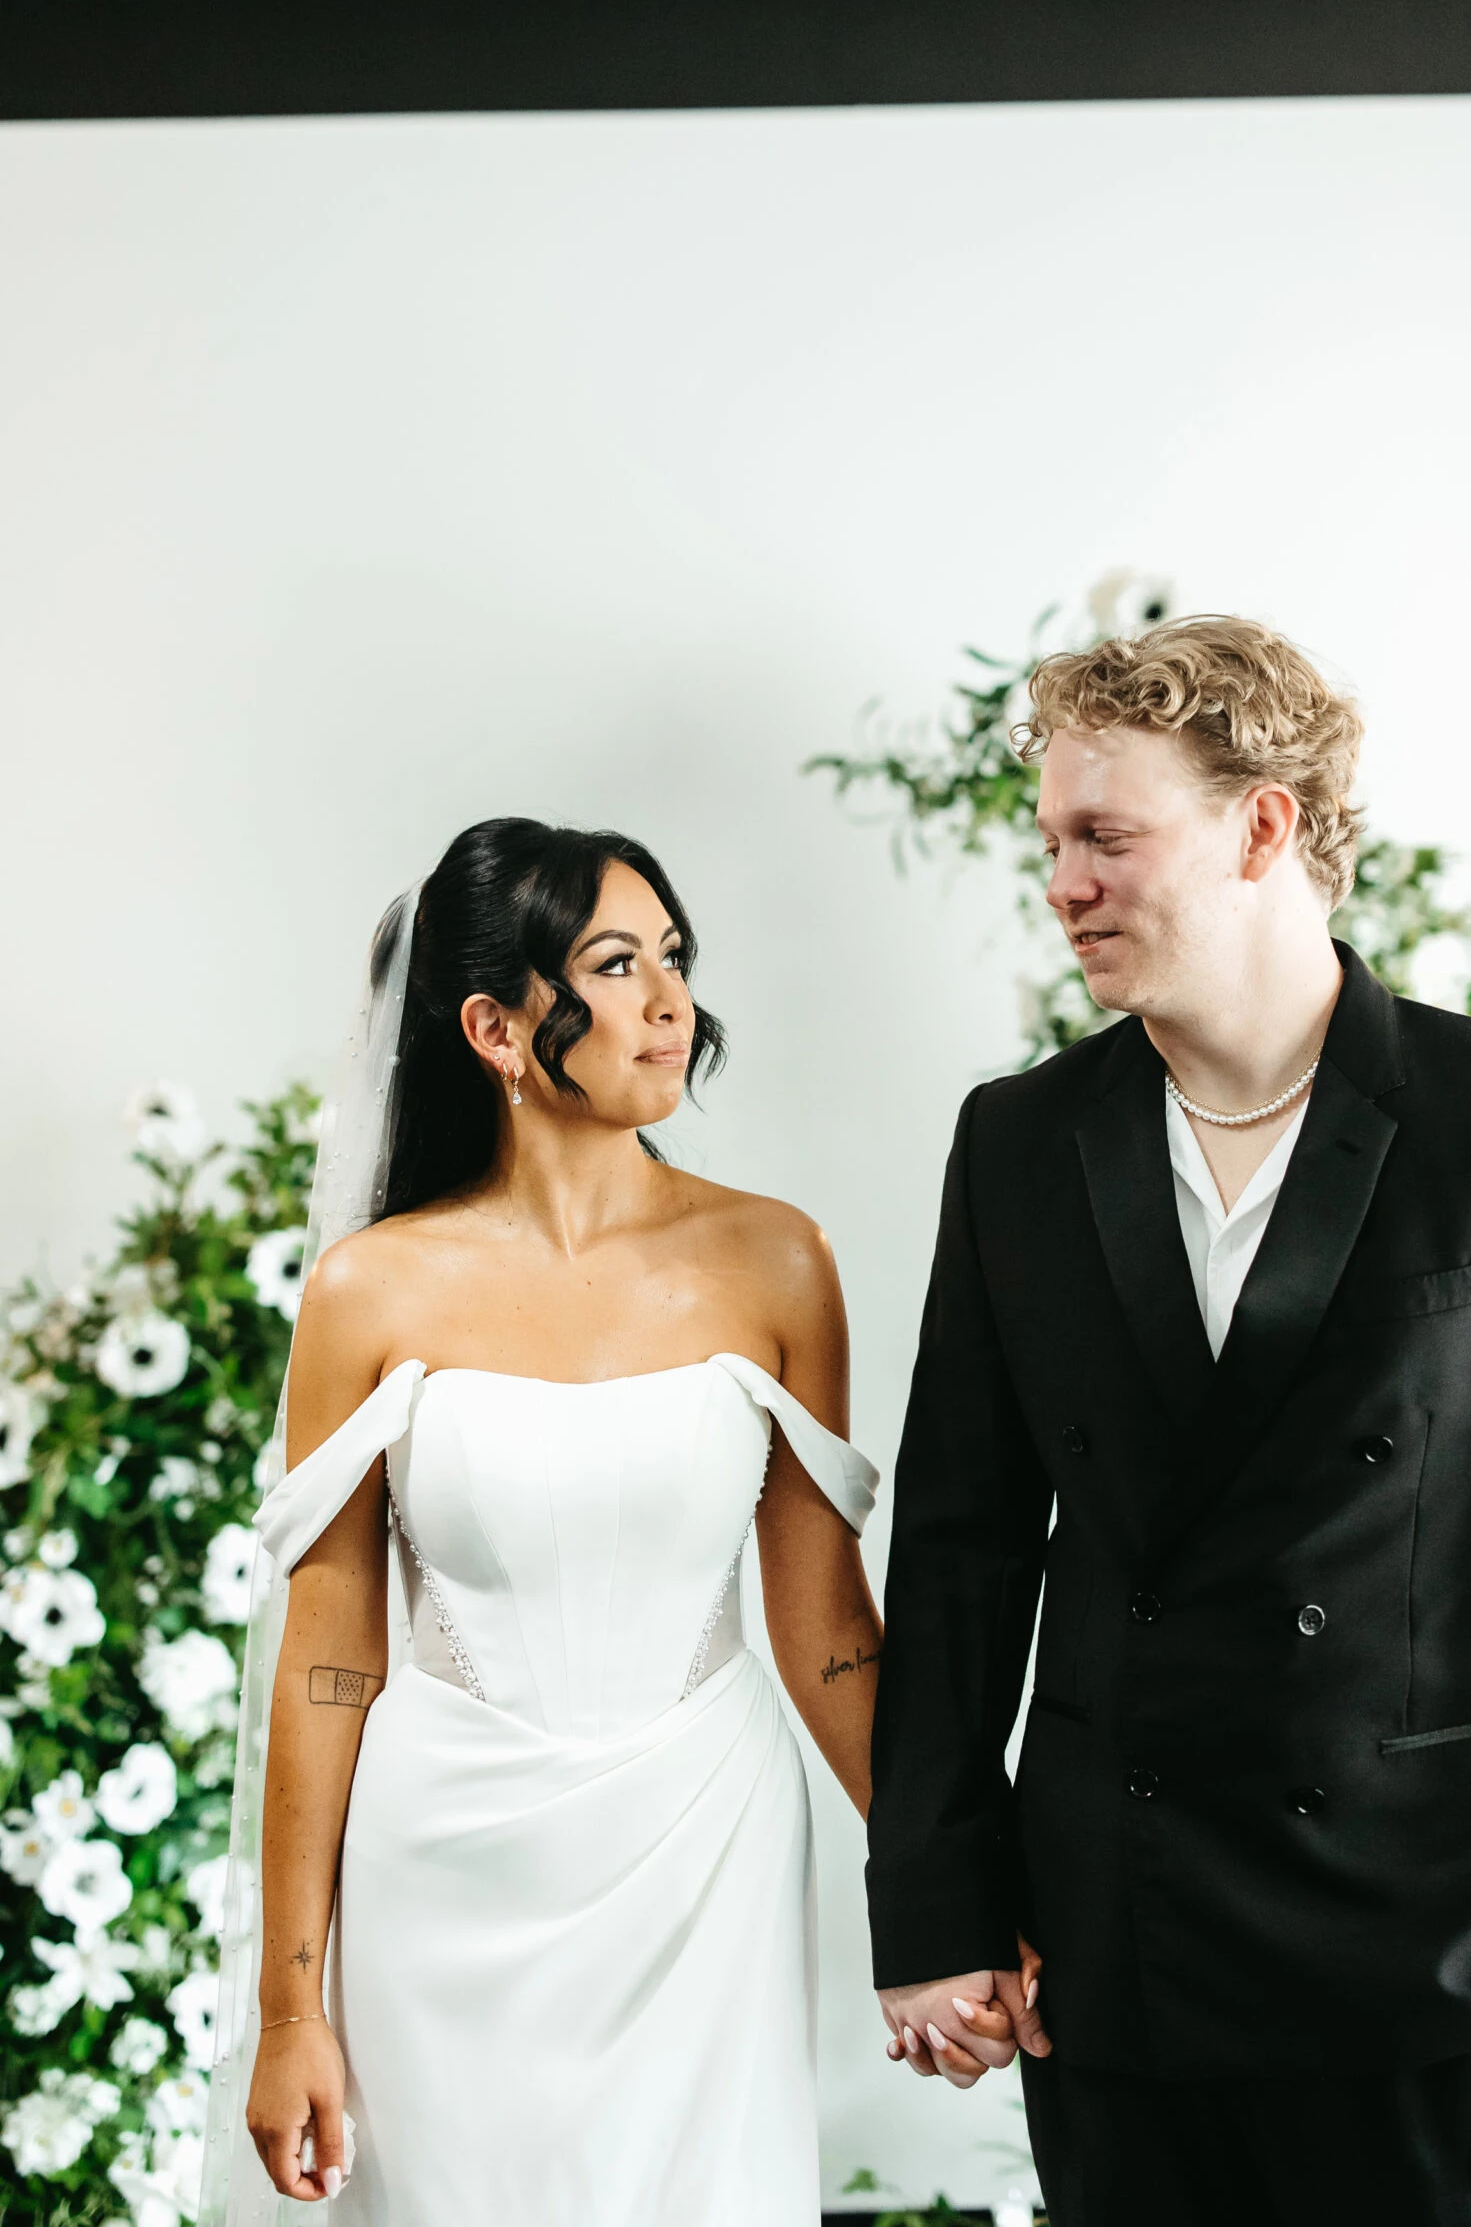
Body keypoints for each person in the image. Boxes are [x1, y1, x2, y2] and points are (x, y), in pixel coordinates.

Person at [864, 617, 1471, 2226]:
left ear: (1263, 825)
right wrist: (932, 1903)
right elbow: (963, 1550)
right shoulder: (1021, 1144)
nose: (1061, 883)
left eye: (1105, 836)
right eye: (1051, 843)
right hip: (1119, 1961)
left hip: (1440, 1979)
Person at [213, 817, 898, 2226]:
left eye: (674, 960)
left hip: (706, 1856)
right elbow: (328, 1658)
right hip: (440, 1873)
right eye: (614, 963)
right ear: (496, 1025)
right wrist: (291, 2014)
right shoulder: (369, 1291)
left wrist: (953, 1885)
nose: (669, 1003)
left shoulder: (777, 1259)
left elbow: (828, 1630)